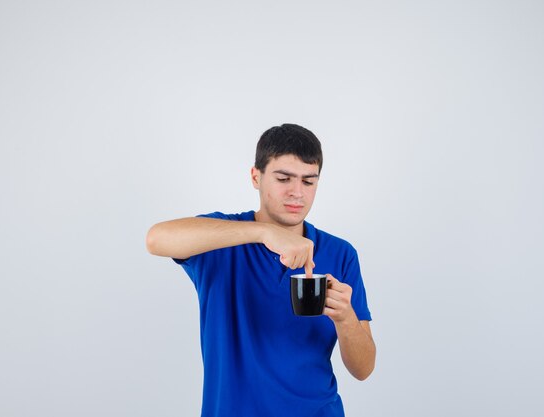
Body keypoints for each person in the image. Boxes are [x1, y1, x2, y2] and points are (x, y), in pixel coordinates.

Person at [146, 123, 375, 417]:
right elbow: (156, 239)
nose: (297, 193)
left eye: (309, 181)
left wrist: (346, 319)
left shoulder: (341, 253)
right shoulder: (224, 240)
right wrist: (263, 233)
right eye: (284, 178)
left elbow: (364, 369)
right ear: (256, 176)